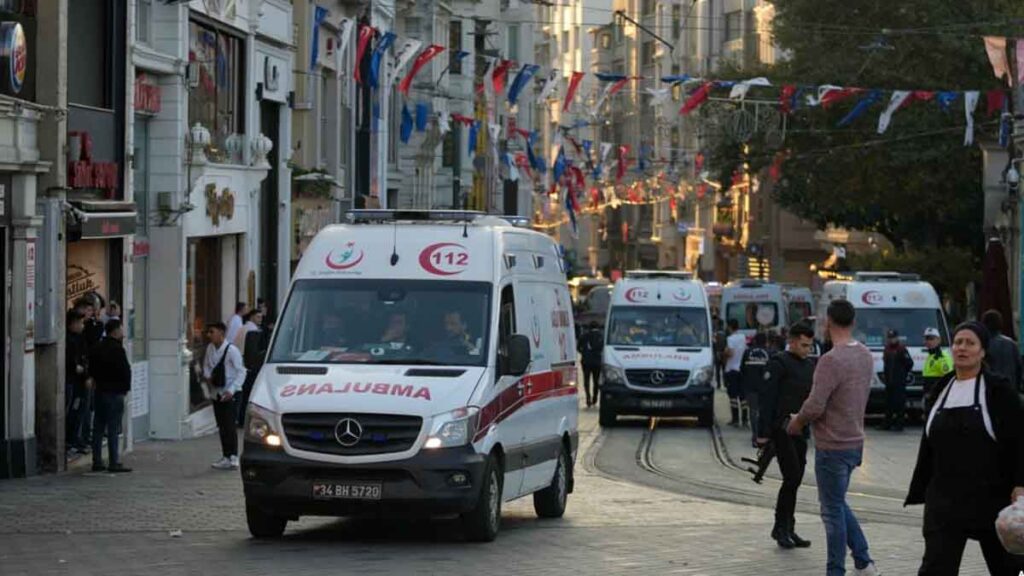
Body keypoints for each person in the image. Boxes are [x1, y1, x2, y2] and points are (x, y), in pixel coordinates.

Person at [906, 321, 1024, 575]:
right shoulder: (940, 390)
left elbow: (1020, 440)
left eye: (970, 343)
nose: (962, 348)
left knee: (1007, 568)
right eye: (958, 342)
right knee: (935, 568)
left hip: (991, 498)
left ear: (982, 352)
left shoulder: (998, 390)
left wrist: (1020, 482)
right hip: (944, 500)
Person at [787, 300, 878, 576]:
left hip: (832, 446)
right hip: (854, 442)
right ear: (852, 322)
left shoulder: (830, 360)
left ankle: (836, 571)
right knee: (837, 502)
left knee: (831, 511)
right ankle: (863, 561)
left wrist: (797, 422)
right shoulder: (864, 354)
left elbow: (816, 404)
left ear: (828, 323)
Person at [758, 321, 817, 550]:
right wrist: (763, 433)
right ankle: (780, 528)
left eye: (810, 346)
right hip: (780, 429)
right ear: (791, 342)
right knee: (791, 476)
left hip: (800, 429)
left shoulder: (809, 366)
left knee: (796, 477)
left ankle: (788, 527)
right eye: (803, 345)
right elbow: (767, 399)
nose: (807, 350)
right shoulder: (778, 363)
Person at [87, 319, 132, 473]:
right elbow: (125, 371)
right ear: (115, 331)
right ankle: (114, 461)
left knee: (98, 428)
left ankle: (97, 461)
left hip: (100, 391)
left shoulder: (97, 348)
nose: (123, 331)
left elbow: (91, 369)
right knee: (113, 428)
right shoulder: (117, 350)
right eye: (121, 328)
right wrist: (125, 388)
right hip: (115, 392)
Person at [203, 322, 247, 470]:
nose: (209, 335)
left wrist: (232, 390)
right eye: (208, 332)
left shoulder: (231, 350)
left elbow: (242, 371)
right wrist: (208, 378)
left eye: (212, 332)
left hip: (231, 393)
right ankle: (226, 456)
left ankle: (233, 456)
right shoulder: (210, 348)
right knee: (222, 426)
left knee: (230, 425)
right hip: (217, 392)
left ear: (221, 333)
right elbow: (206, 366)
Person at [65, 309, 91, 456]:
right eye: (80, 322)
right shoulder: (69, 340)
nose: (83, 326)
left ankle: (76, 439)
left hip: (80, 381)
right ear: (73, 323)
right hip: (72, 381)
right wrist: (77, 368)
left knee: (80, 411)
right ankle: (71, 440)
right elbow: (70, 361)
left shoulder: (80, 339)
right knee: (73, 412)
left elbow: (85, 357)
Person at [880, 329, 913, 432]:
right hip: (889, 382)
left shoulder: (902, 349)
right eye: (889, 338)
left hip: (899, 382)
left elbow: (909, 363)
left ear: (897, 338)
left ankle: (899, 425)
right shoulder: (887, 349)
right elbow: (886, 365)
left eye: (893, 337)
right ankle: (887, 424)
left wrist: (902, 375)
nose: (891, 340)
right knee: (888, 404)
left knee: (899, 404)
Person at [981, 310, 1022, 392]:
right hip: (1010, 389)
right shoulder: (1011, 343)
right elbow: (1019, 369)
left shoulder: (982, 344)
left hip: (990, 391)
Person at [740, 332, 770, 441]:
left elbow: (742, 369)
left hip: (750, 387)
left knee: (753, 411)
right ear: (765, 341)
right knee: (765, 411)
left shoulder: (748, 352)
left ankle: (755, 434)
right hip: (766, 387)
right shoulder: (769, 353)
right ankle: (763, 434)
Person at [723, 319, 747, 427]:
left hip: (731, 368)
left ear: (729, 327)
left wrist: (724, 353)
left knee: (733, 395)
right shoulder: (743, 337)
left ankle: (735, 419)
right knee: (743, 396)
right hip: (741, 369)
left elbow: (731, 352)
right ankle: (745, 419)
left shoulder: (730, 339)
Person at [921, 327, 952, 405]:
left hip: (937, 397)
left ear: (939, 340)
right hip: (929, 395)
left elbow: (948, 378)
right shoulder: (931, 356)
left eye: (931, 339)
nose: (928, 342)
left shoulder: (942, 357)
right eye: (926, 339)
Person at [578, 321, 604, 408]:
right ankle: (595, 398)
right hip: (597, 361)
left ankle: (588, 397)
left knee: (586, 380)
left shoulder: (584, 336)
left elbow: (578, 347)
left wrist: (584, 353)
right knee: (596, 381)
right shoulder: (601, 336)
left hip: (586, 361)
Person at [713, 318, 726, 389]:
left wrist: (716, 352)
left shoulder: (715, 334)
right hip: (724, 354)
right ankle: (725, 383)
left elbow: (714, 344)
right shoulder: (725, 333)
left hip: (717, 353)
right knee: (724, 369)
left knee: (718, 370)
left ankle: (718, 384)